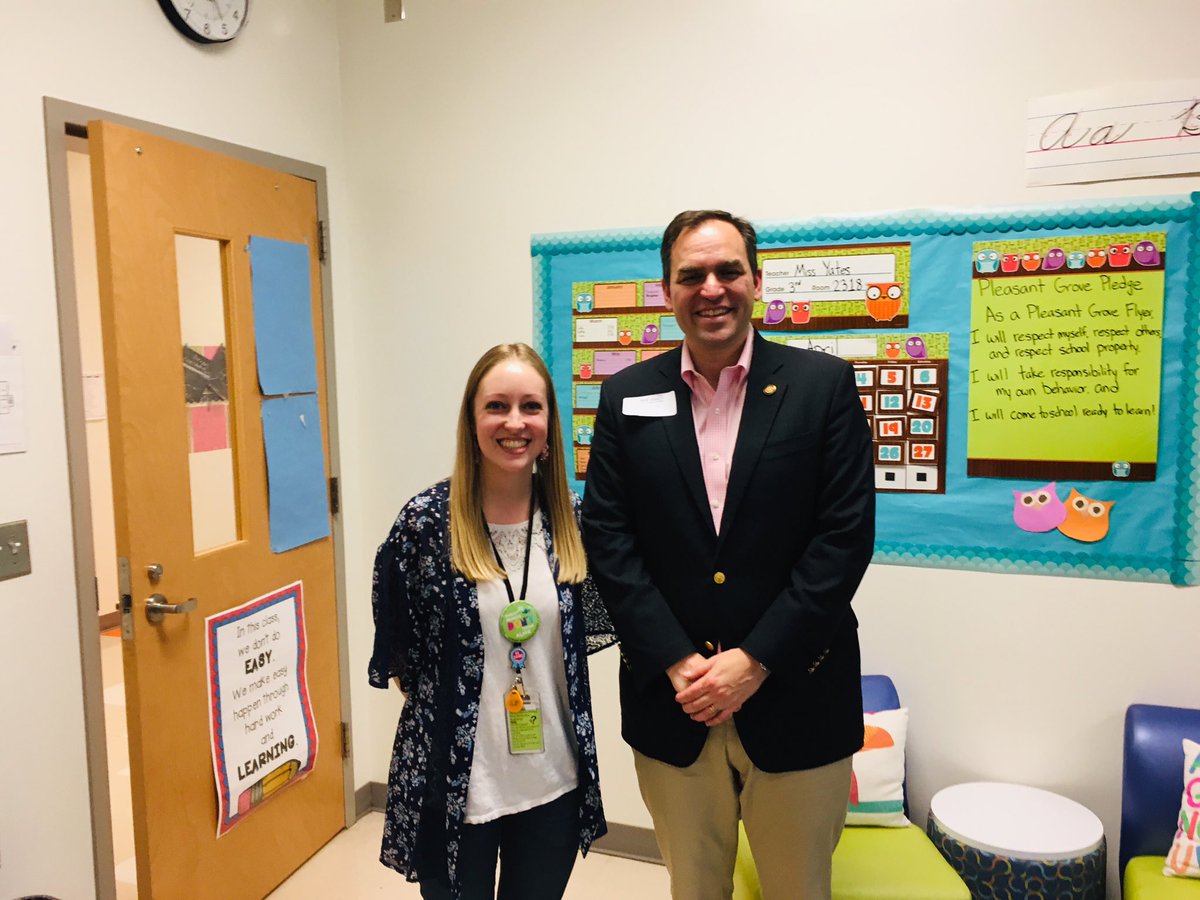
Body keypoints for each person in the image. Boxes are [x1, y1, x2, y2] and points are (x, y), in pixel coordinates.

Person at [581, 210, 876, 900]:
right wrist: (681, 661)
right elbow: (609, 539)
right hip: (673, 702)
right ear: (666, 291)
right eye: (691, 275)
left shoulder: (821, 387)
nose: (711, 288)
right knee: (694, 889)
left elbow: (844, 538)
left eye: (727, 271)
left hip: (798, 692)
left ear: (756, 281)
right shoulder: (627, 395)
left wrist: (754, 660)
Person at [369, 342, 616, 900]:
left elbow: (592, 631)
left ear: (550, 423)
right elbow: (403, 654)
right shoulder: (425, 524)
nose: (514, 422)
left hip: (554, 778)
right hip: (459, 784)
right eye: (496, 406)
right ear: (471, 421)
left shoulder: (573, 523)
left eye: (531, 406)